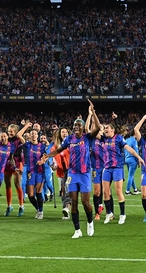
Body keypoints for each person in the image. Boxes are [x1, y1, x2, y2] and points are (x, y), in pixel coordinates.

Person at [41, 101, 102, 238]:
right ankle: (77, 230)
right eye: (75, 125)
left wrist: (93, 113)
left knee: (85, 203)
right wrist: (47, 156)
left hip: (85, 173)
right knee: (73, 201)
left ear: (82, 127)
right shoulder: (69, 139)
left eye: (78, 125)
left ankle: (90, 222)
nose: (76, 127)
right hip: (72, 173)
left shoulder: (88, 137)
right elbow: (58, 149)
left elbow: (98, 127)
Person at [99, 113, 145, 225]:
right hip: (107, 168)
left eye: (107, 128)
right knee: (105, 192)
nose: (105, 130)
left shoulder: (119, 139)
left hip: (117, 168)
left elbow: (129, 149)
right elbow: (94, 129)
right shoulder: (103, 139)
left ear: (112, 130)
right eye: (104, 128)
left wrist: (139, 157)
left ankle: (122, 214)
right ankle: (109, 213)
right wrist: (92, 114)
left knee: (118, 191)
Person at [3, 121, 30, 217]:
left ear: (15, 131)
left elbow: (16, 154)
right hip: (7, 163)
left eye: (11, 132)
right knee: (7, 185)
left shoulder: (18, 140)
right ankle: (9, 206)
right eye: (8, 131)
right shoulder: (6, 140)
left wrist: (26, 126)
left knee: (17, 184)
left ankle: (21, 206)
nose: (9, 133)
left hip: (17, 163)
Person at [24, 129, 47, 219]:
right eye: (32, 134)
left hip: (40, 171)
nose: (33, 135)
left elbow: (46, 157)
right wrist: (26, 126)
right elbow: (18, 135)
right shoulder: (27, 145)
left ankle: (41, 211)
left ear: (37, 135)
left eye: (35, 133)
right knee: (30, 195)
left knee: (38, 192)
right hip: (30, 172)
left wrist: (42, 161)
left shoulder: (42, 146)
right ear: (29, 136)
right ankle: (38, 208)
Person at [124, 128, 140, 195]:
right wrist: (138, 160)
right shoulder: (134, 140)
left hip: (126, 159)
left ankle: (135, 189)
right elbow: (136, 151)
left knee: (131, 175)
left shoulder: (126, 140)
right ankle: (127, 191)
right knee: (131, 176)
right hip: (132, 159)